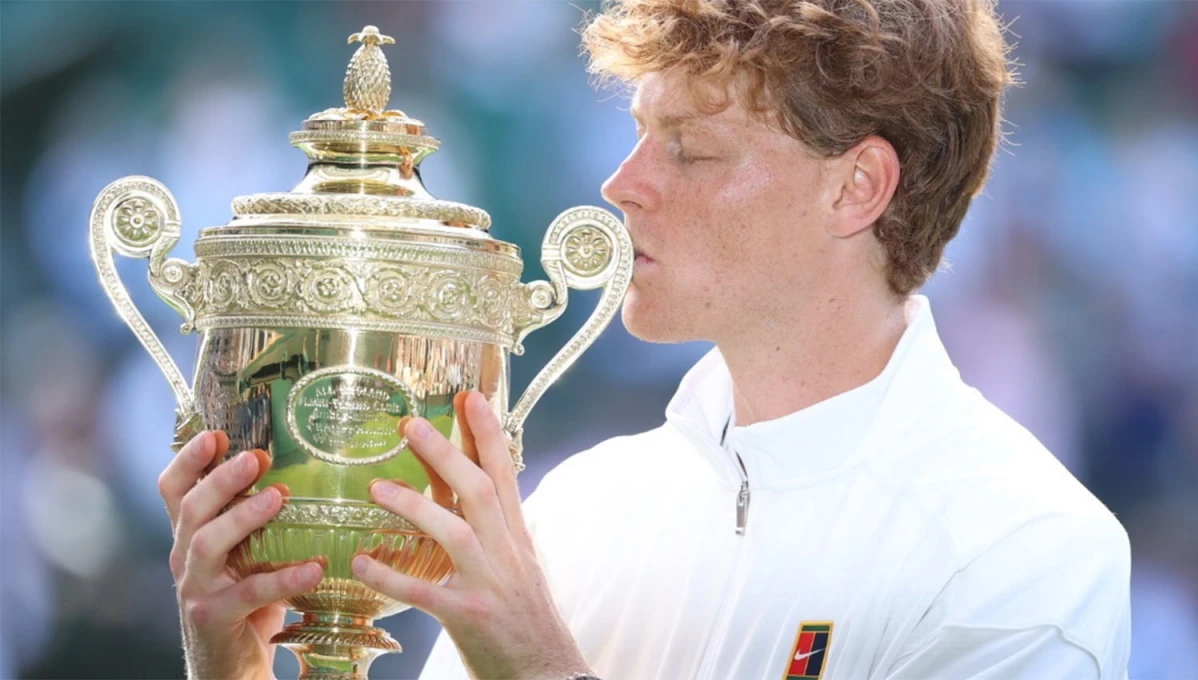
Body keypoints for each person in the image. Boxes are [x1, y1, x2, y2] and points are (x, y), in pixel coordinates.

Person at [159, 0, 1132, 678]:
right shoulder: (580, 508)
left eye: (691, 149)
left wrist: (539, 666)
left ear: (857, 188)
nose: (624, 183)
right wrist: (234, 664)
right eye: (637, 133)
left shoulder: (1028, 552)